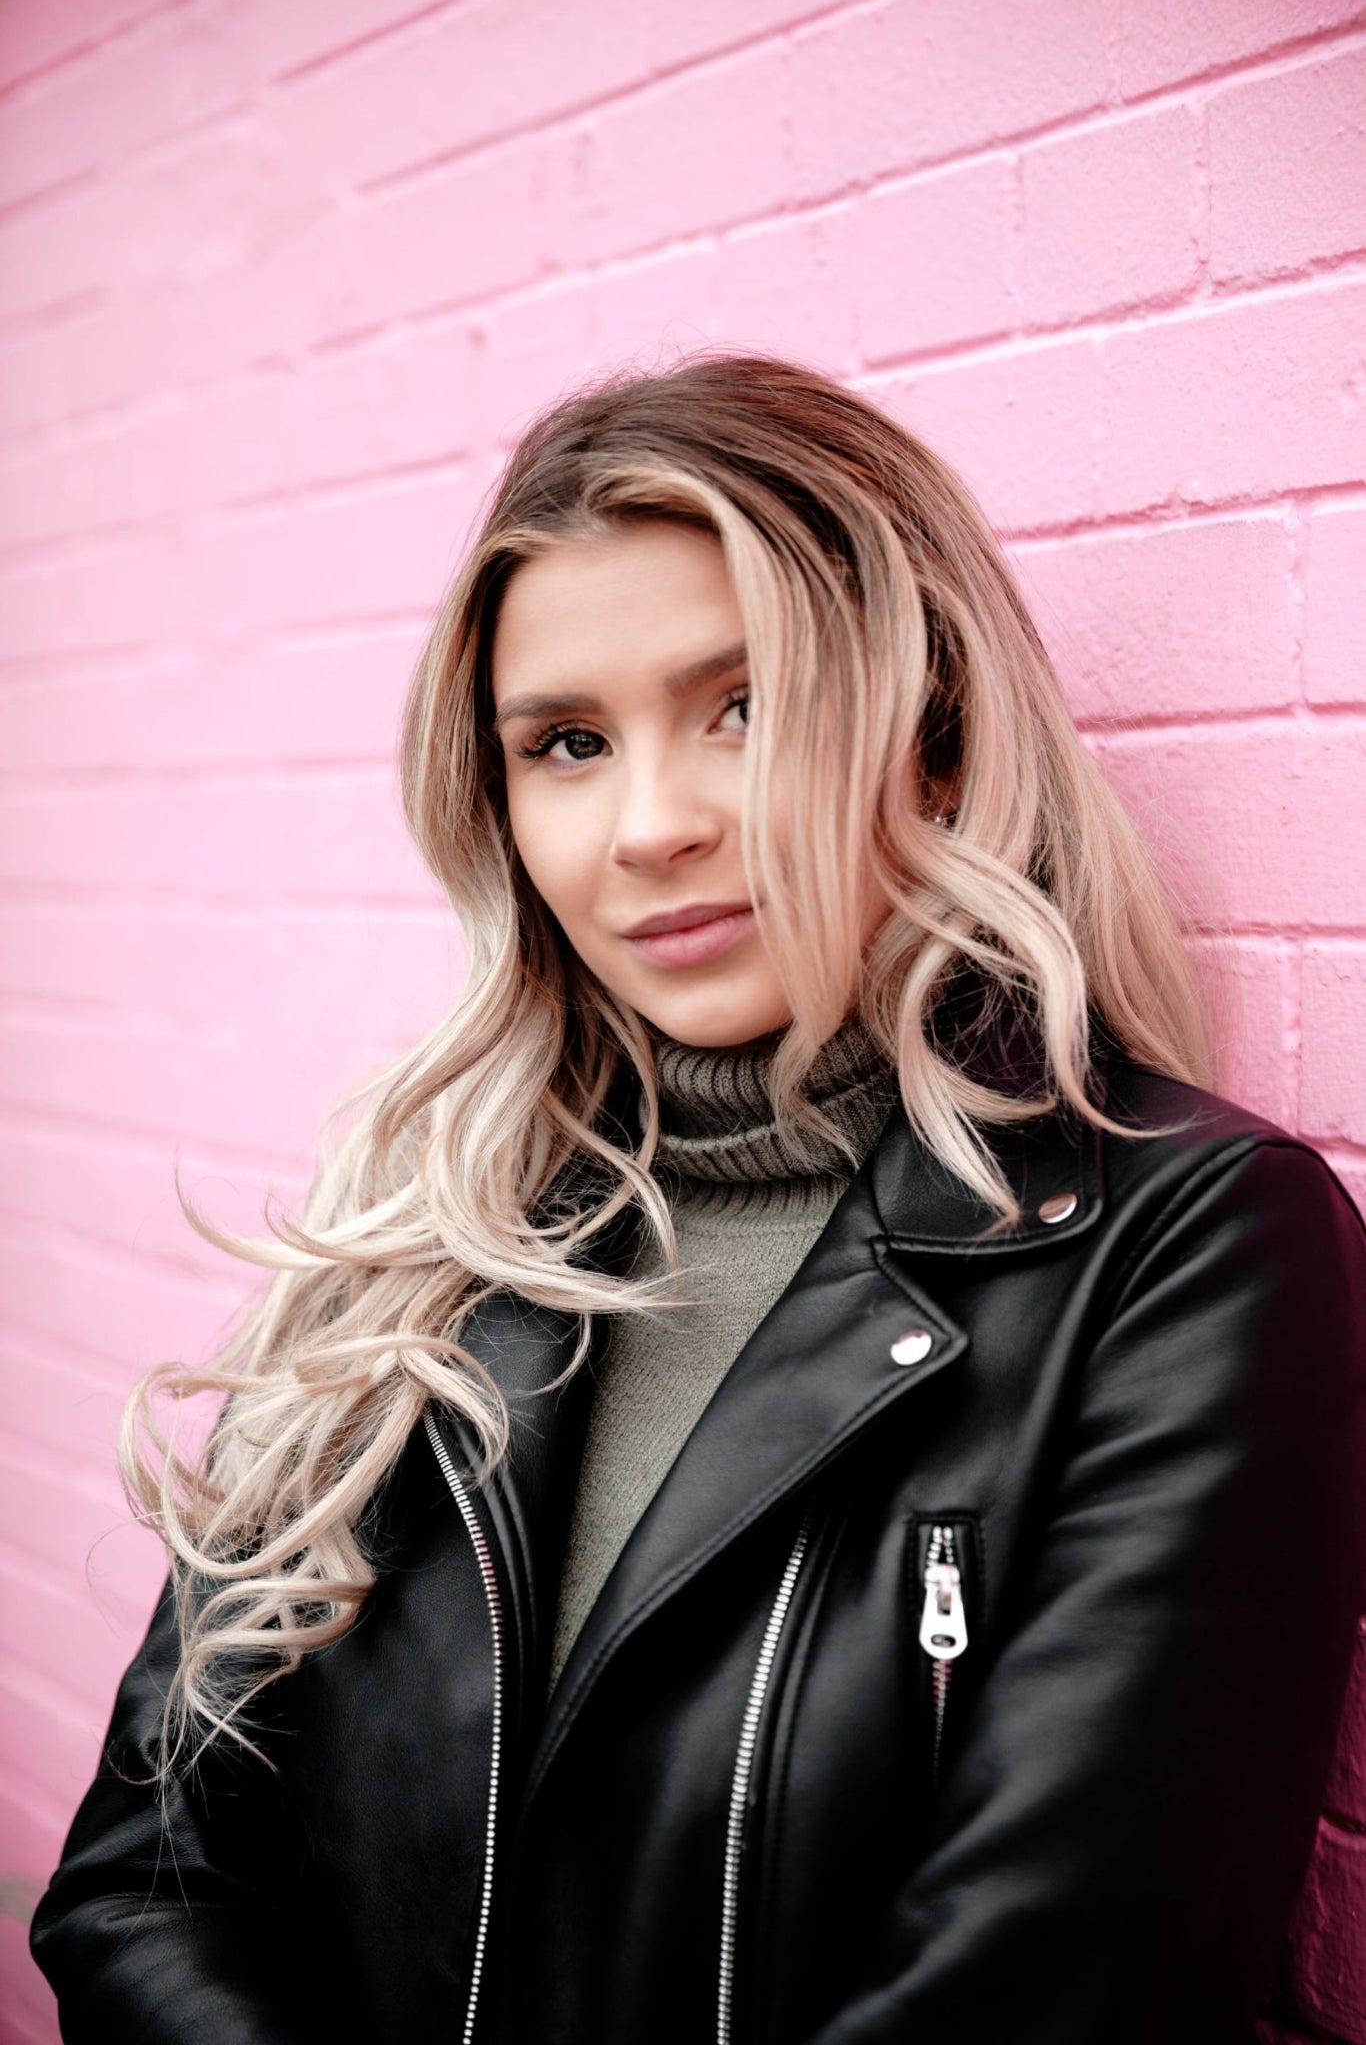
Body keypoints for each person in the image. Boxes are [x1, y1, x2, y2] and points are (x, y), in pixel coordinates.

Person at [30, 353, 1366, 2045]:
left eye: (742, 707)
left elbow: (1053, 1990)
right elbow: (144, 1886)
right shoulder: (415, 1247)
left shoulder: (1183, 1250)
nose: (648, 825)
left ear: (937, 742)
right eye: (567, 743)